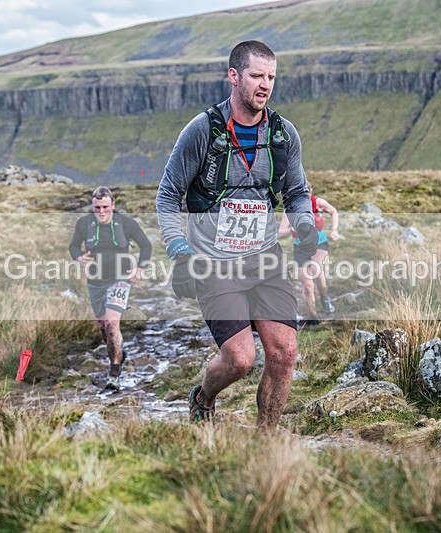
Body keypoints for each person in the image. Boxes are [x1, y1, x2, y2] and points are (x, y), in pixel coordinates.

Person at [156, 40, 318, 430]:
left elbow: (296, 193)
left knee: (284, 353)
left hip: (264, 259)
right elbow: (167, 196)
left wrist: (305, 225)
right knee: (241, 359)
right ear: (234, 76)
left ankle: (266, 444)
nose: (265, 85)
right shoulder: (202, 131)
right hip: (214, 264)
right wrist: (180, 252)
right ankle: (204, 396)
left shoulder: (282, 134)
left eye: (272, 77)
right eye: (256, 75)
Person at [69, 186, 152, 392]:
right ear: (92, 206)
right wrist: (79, 257)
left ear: (113, 205)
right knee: (104, 327)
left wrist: (139, 268)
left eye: (105, 207)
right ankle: (119, 353)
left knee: (112, 323)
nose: (101, 212)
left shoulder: (126, 223)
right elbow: (73, 246)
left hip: (120, 279)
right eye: (97, 208)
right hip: (95, 281)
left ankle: (113, 375)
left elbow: (146, 245)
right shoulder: (84, 224)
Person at [278, 181, 344, 325]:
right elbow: (281, 232)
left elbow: (333, 212)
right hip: (300, 247)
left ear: (311, 192)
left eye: (307, 194)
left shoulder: (318, 203)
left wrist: (334, 230)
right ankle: (313, 318)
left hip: (319, 243)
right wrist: (291, 230)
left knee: (315, 268)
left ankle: (324, 298)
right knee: (307, 286)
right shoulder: (289, 210)